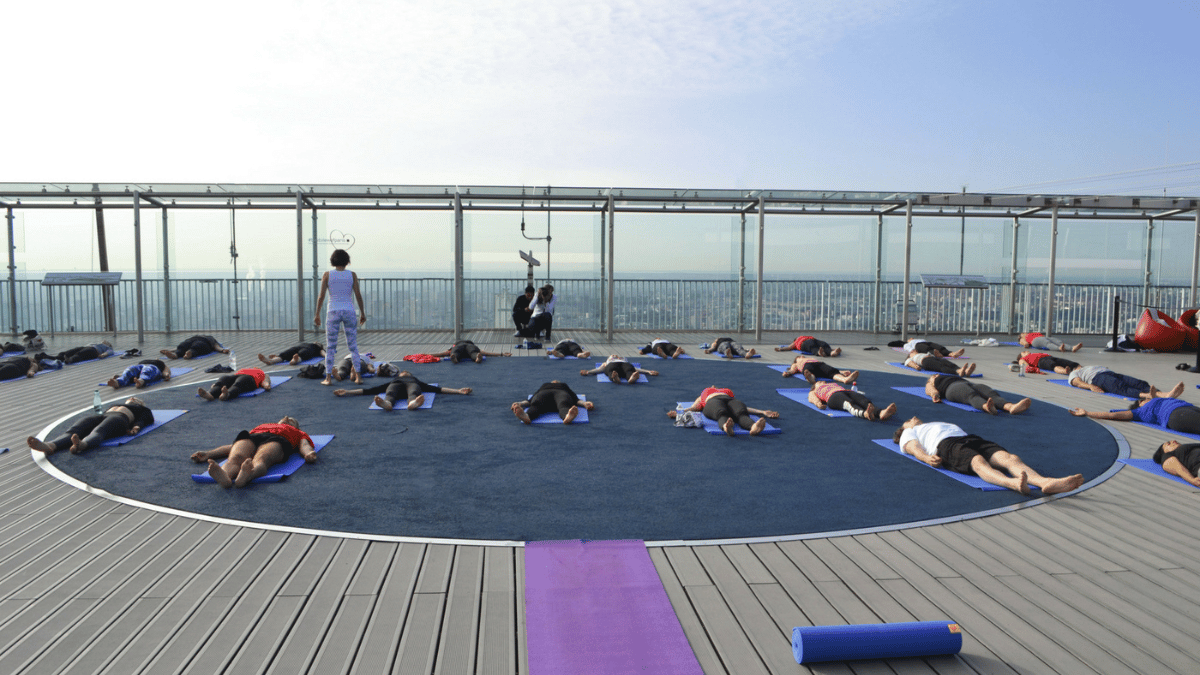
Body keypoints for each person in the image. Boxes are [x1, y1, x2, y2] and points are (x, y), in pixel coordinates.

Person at [894, 417, 1084, 495]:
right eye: (909, 419)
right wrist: (926, 458)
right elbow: (913, 447)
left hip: (968, 438)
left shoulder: (927, 423)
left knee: (1010, 458)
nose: (913, 418)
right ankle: (1014, 484)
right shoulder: (909, 432)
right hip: (945, 445)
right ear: (905, 426)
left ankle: (1044, 482)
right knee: (978, 462)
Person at [190, 416, 316, 489]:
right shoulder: (263, 425)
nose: (287, 418)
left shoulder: (298, 433)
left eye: (291, 420)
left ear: (296, 427)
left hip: (279, 440)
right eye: (284, 418)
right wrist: (209, 454)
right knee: (236, 457)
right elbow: (232, 446)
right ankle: (225, 477)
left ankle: (248, 474)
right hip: (253, 437)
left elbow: (304, 444)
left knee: (261, 458)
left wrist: (308, 454)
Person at [27, 396, 153, 455]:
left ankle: (82, 444)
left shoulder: (142, 409)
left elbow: (143, 420)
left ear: (140, 403)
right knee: (75, 430)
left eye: (135, 399)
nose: (132, 398)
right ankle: (50, 445)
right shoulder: (118, 404)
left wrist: (136, 428)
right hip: (103, 415)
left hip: (120, 418)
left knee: (99, 431)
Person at [313, 248, 366, 386]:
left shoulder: (327, 275)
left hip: (333, 312)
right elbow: (358, 295)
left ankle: (328, 378)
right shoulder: (352, 275)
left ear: (333, 261)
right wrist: (362, 313)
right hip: (349, 311)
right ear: (347, 261)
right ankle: (359, 377)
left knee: (330, 347)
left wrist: (317, 314)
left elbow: (321, 296)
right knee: (353, 346)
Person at [335, 370, 471, 410]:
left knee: (413, 392)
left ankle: (412, 403)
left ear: (409, 374)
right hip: (397, 385)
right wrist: (347, 392)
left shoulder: (415, 380)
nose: (404, 372)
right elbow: (369, 390)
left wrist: (458, 391)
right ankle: (388, 404)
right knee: (390, 393)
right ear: (400, 375)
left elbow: (438, 389)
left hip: (411, 385)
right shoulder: (394, 380)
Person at [671, 386, 779, 436]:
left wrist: (763, 412)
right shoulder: (704, 394)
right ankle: (727, 428)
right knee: (721, 413)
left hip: (730, 400)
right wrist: (680, 412)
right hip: (712, 402)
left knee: (740, 412)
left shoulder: (727, 391)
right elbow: (695, 407)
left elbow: (745, 408)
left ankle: (753, 428)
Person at [1070, 397, 1200, 434]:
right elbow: (1114, 415)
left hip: (1188, 408)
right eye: (1143, 399)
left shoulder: (1160, 399)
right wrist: (1087, 413)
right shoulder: (1140, 412)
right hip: (1176, 415)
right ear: (1141, 404)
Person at [924, 374, 1031, 415]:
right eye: (933, 376)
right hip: (951, 388)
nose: (935, 375)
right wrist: (935, 395)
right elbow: (930, 390)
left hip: (968, 383)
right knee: (971, 395)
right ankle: (987, 407)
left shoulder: (947, 375)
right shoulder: (931, 382)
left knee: (990, 393)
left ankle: (1011, 407)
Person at [1066, 364, 1184, 400]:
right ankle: (1147, 395)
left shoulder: (1089, 366)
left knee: (1139, 383)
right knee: (1121, 387)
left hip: (1111, 373)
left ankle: (1165, 394)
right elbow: (1077, 382)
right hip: (1098, 378)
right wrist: (1091, 386)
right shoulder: (1074, 373)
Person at [807, 381, 897, 422]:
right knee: (849, 404)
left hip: (846, 391)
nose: (823, 382)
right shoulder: (814, 390)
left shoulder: (832, 384)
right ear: (815, 386)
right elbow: (812, 398)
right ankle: (865, 414)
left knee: (864, 401)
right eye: (819, 382)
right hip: (832, 396)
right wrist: (818, 404)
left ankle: (881, 412)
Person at [512, 380, 593, 424]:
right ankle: (566, 416)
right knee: (563, 404)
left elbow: (531, 400)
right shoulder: (561, 385)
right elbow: (575, 399)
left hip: (547, 393)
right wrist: (520, 404)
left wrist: (521, 403)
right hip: (559, 393)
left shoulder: (557, 385)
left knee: (537, 404)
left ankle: (527, 416)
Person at [197, 367, 271, 401]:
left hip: (250, 379)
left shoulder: (263, 373)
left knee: (239, 383)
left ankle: (226, 394)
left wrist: (266, 385)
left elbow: (266, 381)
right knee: (224, 378)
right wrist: (215, 385)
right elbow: (230, 378)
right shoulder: (244, 369)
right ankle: (210, 395)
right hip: (235, 376)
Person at [579, 355, 659, 383]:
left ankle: (631, 378)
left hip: (624, 365)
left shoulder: (624, 360)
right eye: (612, 355)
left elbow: (635, 368)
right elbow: (600, 369)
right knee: (611, 371)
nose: (615, 355)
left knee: (629, 370)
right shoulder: (607, 362)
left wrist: (648, 371)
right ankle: (615, 377)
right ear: (608, 358)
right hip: (613, 365)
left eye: (616, 355)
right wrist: (588, 372)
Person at [780, 356, 858, 384]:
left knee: (831, 372)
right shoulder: (797, 362)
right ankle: (811, 378)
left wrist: (841, 371)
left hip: (820, 364)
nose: (802, 356)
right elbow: (793, 370)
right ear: (797, 358)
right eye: (799, 356)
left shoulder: (808, 358)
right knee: (809, 371)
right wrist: (788, 373)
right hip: (807, 365)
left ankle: (845, 379)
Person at [107, 358, 171, 389]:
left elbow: (166, 370)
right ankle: (118, 381)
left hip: (153, 368)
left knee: (147, 371)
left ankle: (141, 381)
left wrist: (166, 375)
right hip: (140, 366)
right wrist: (120, 375)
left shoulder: (161, 363)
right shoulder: (146, 360)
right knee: (130, 369)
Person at [430, 340, 511, 364]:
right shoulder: (471, 344)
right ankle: (477, 358)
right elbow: (485, 352)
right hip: (470, 348)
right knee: (474, 353)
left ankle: (454, 358)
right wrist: (502, 354)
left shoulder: (456, 345)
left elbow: (442, 353)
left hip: (459, 348)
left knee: (455, 352)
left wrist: (426, 354)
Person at [903, 351, 976, 376]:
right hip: (925, 361)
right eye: (911, 352)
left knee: (948, 363)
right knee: (941, 367)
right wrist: (916, 367)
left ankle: (964, 370)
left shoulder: (919, 353)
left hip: (933, 357)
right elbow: (909, 363)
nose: (913, 351)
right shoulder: (911, 358)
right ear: (909, 355)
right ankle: (958, 372)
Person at [160, 335, 229, 360]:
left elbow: (216, 346)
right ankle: (188, 353)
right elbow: (216, 347)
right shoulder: (211, 339)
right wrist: (169, 350)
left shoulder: (212, 339)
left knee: (185, 346)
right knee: (184, 346)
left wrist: (222, 350)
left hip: (203, 342)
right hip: (197, 341)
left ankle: (177, 354)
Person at [258, 343, 325, 366]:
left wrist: (326, 355)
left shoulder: (318, 348)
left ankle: (295, 360)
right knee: (283, 355)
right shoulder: (307, 343)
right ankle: (270, 361)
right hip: (297, 348)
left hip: (308, 350)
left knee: (302, 354)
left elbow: (324, 353)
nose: (316, 342)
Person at [775, 335, 841, 357]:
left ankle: (820, 352)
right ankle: (832, 352)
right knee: (822, 344)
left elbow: (789, 347)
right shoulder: (802, 337)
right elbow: (814, 338)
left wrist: (781, 349)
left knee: (812, 348)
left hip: (805, 343)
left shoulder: (796, 342)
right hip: (812, 340)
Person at [899, 338, 965, 359]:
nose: (911, 338)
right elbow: (907, 347)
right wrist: (912, 350)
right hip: (918, 345)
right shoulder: (909, 343)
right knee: (927, 348)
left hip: (927, 342)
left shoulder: (919, 339)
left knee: (939, 347)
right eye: (910, 338)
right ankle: (935, 353)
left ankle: (952, 353)